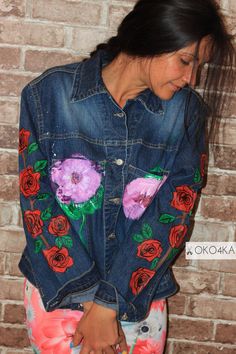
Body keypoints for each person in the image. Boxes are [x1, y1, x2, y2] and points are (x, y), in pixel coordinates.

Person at [18, 0, 235, 353]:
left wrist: (109, 303)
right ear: (150, 39)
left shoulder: (187, 114)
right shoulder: (48, 96)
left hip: (139, 295)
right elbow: (37, 206)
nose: (192, 79)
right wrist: (91, 300)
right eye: (185, 60)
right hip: (58, 291)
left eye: (200, 67)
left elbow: (173, 216)